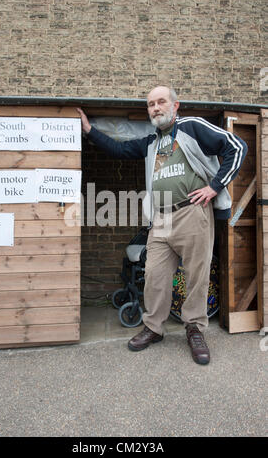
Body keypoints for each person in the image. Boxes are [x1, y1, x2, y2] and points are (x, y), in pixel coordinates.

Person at [77, 86, 247, 365]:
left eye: (161, 102)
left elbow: (237, 146)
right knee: (154, 275)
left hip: (192, 212)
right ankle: (154, 328)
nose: (155, 108)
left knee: (196, 277)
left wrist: (215, 187)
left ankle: (194, 329)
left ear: (175, 105)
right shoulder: (151, 143)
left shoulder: (192, 127)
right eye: (150, 104)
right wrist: (89, 130)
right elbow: (119, 150)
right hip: (162, 217)